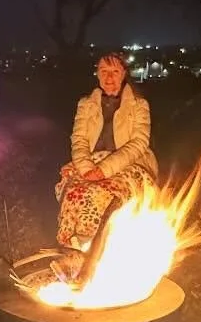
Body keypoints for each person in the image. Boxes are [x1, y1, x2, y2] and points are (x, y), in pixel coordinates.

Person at [55, 52, 160, 249]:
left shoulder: (138, 105)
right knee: (72, 190)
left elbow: (139, 143)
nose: (109, 77)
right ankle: (75, 244)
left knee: (103, 194)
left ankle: (106, 245)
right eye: (104, 71)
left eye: (115, 71)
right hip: (91, 162)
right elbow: (78, 139)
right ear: (97, 73)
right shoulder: (86, 104)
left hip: (129, 164)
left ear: (124, 74)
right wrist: (86, 168)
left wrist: (104, 170)